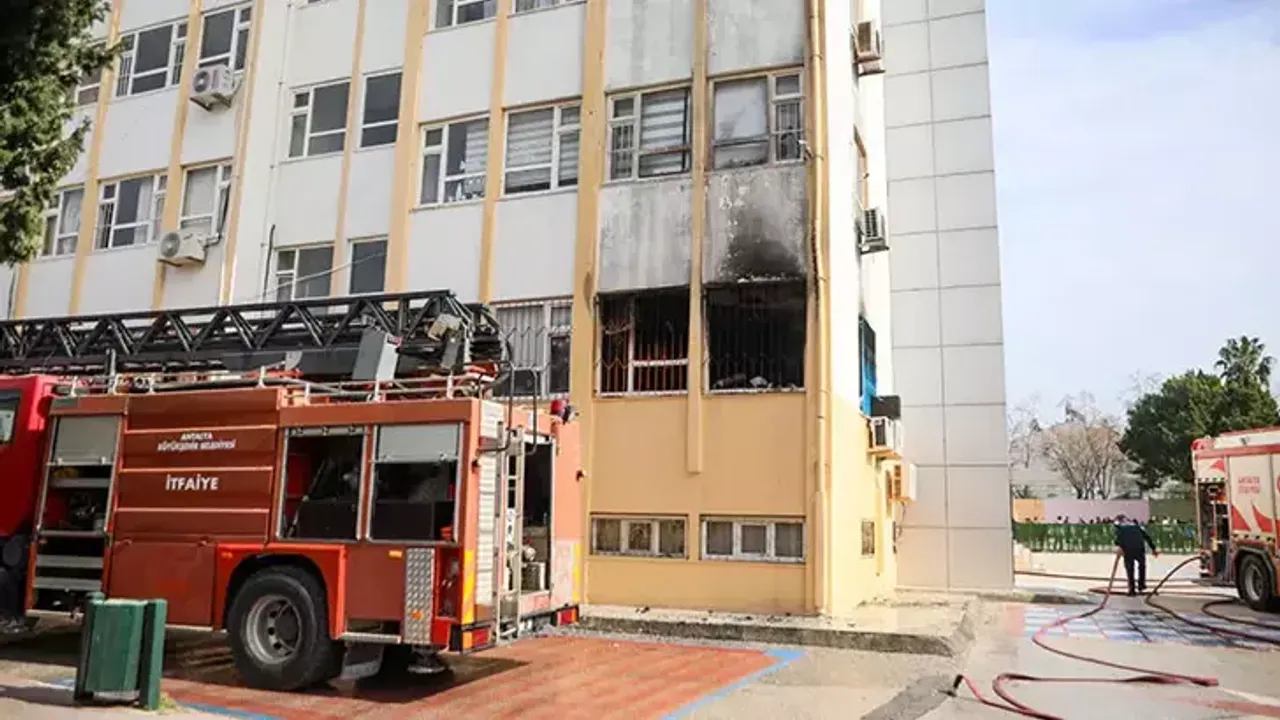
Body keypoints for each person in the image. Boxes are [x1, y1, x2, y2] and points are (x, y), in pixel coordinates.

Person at [1114, 514, 1159, 596]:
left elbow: (1118, 540)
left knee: (1130, 569)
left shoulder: (1120, 528)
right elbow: (1147, 537)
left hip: (1128, 550)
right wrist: (1153, 549)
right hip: (1139, 549)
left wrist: (1120, 547)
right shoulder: (1137, 526)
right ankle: (1141, 585)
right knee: (1142, 566)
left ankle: (1132, 590)